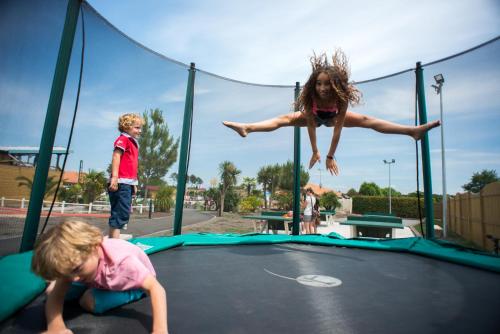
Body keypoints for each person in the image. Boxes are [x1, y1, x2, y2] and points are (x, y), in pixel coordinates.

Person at [223, 50, 440, 175]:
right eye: (318, 83)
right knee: (285, 118)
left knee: (367, 120)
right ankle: (247, 127)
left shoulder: (341, 98)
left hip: (334, 118)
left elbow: (337, 131)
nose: (322, 88)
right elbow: (310, 125)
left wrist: (329, 155)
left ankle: (412, 131)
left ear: (335, 85)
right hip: (315, 118)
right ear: (314, 84)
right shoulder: (311, 97)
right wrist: (316, 151)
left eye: (327, 84)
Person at [31, 220, 168, 334]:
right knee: (52, 291)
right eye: (68, 274)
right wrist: (56, 328)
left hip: (132, 284)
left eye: (77, 269)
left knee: (89, 301)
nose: (73, 278)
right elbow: (57, 294)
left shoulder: (123, 263)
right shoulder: (74, 264)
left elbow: (156, 288)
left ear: (94, 247)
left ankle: (130, 294)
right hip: (96, 276)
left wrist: (160, 330)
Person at [108, 113, 143, 239]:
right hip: (121, 182)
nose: (140, 131)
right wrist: (115, 178)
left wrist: (134, 183)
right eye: (137, 128)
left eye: (140, 128)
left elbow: (132, 165)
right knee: (119, 213)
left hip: (127, 183)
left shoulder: (133, 143)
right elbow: (116, 156)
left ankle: (113, 242)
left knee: (122, 213)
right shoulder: (123, 140)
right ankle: (114, 244)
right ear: (126, 127)